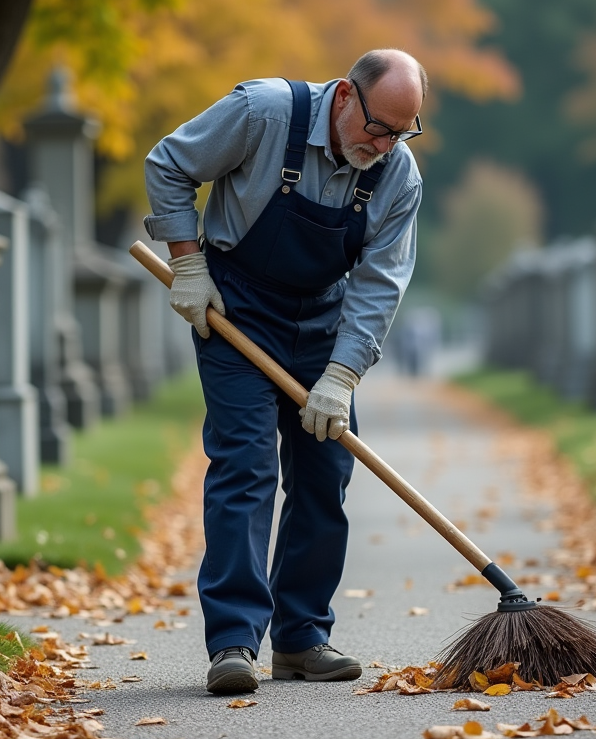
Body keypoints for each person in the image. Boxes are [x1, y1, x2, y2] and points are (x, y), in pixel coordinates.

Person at [142, 49, 425, 694]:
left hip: (323, 323)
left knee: (325, 474)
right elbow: (169, 163)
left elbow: (381, 282)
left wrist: (342, 375)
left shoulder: (396, 175)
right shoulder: (263, 113)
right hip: (236, 312)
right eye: (377, 127)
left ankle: (300, 639)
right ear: (346, 96)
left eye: (400, 133)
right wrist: (187, 264)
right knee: (245, 465)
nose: (384, 146)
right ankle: (234, 642)